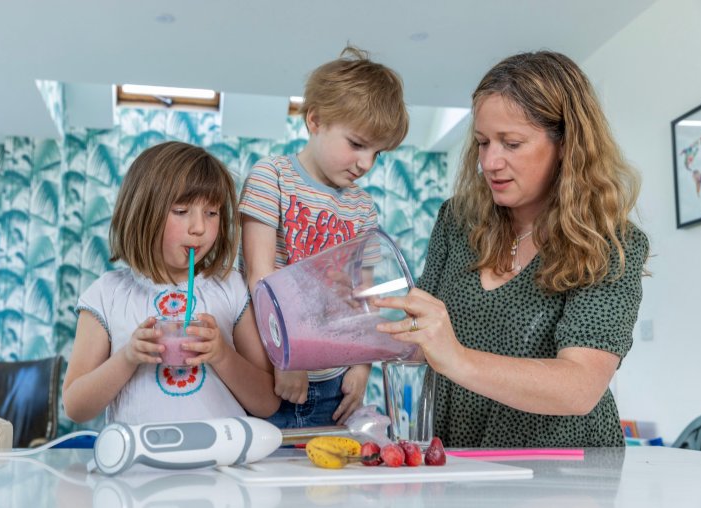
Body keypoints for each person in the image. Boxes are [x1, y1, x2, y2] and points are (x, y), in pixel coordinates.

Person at [375, 51, 649, 447]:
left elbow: (579, 387)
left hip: (565, 475)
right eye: (483, 143)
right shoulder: (456, 221)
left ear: (566, 145)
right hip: (459, 457)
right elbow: (422, 338)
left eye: (512, 143)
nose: (489, 161)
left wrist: (458, 359)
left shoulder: (609, 243)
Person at [239, 45, 409, 427]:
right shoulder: (273, 177)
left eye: (377, 153)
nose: (366, 164)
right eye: (357, 144)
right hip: (271, 372)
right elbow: (259, 276)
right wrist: (288, 358)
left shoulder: (363, 208)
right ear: (315, 120)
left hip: (335, 380)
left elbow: (364, 296)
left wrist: (363, 365)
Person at [63, 141, 280, 424]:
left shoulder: (232, 288)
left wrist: (222, 355)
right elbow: (75, 408)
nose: (199, 228)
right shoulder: (106, 294)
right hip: (139, 464)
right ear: (141, 212)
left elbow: (267, 402)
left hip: (219, 462)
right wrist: (128, 357)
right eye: (181, 211)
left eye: (211, 213)